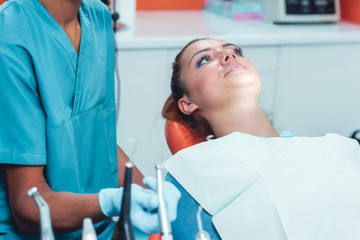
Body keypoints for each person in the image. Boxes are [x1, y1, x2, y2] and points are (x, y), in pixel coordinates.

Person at [0, 0, 180, 239]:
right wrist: (111, 202)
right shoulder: (11, 33)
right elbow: (27, 203)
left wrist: (149, 195)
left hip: (99, 226)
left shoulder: (98, 18)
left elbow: (98, 138)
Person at [161, 38, 360, 239]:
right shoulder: (194, 173)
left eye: (236, 51)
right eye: (204, 60)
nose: (230, 55)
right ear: (188, 103)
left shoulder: (337, 148)